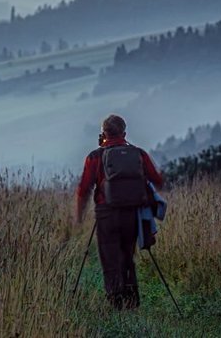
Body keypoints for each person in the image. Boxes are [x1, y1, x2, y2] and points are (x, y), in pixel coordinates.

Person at [75, 113, 164, 310]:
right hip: (131, 214)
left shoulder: (95, 156)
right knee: (127, 256)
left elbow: (84, 188)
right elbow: (157, 179)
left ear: (103, 134)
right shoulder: (138, 154)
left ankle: (116, 304)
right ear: (125, 133)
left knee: (110, 259)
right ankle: (131, 302)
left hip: (106, 214)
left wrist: (79, 216)